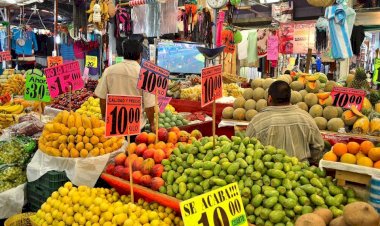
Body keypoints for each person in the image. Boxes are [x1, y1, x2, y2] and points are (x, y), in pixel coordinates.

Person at [246, 81, 324, 164]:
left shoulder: (258, 121)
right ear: (289, 98)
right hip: (301, 173)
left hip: (268, 174)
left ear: (269, 98)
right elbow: (318, 147)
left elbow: (247, 148)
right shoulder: (306, 118)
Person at [95, 39, 155, 132]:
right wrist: (152, 124)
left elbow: (102, 98)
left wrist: (104, 116)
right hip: (136, 128)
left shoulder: (109, 71)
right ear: (140, 54)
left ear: (123, 53)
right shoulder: (145, 75)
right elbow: (149, 106)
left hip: (114, 127)